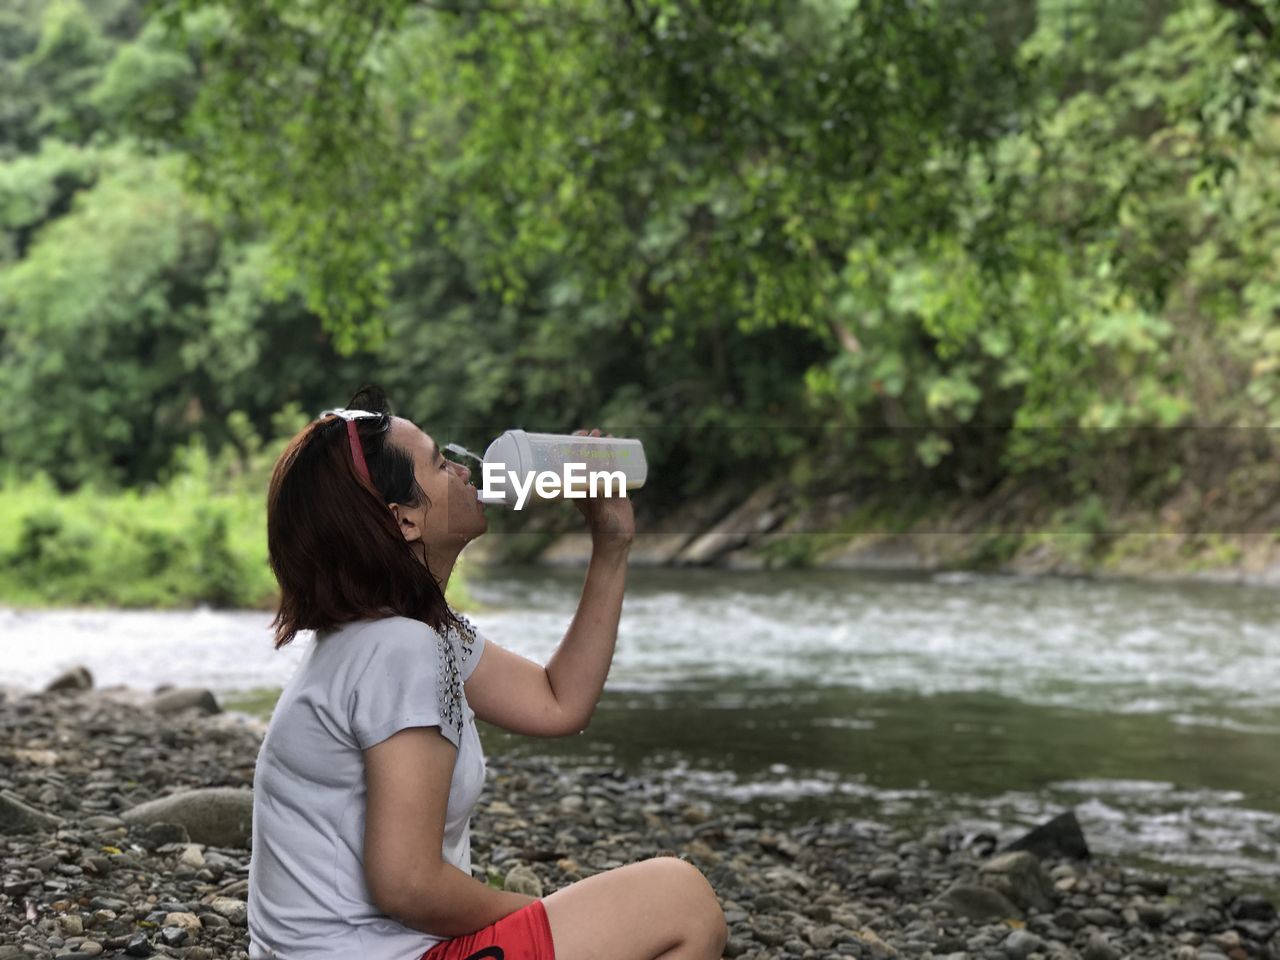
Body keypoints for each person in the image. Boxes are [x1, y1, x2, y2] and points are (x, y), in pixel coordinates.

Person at [247, 386, 726, 960]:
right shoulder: (398, 647)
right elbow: (408, 883)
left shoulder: (411, 633)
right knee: (678, 897)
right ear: (403, 521)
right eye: (439, 463)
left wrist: (612, 543)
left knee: (650, 902)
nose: (465, 467)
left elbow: (558, 701)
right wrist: (543, 915)